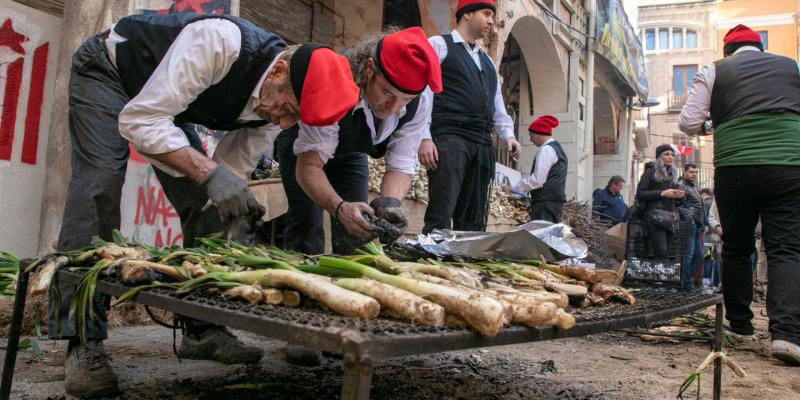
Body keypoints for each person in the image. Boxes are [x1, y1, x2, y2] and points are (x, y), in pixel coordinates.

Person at [52, 12, 360, 397]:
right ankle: (82, 341)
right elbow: (141, 120)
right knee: (98, 186)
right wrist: (209, 174)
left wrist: (231, 207)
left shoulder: (270, 111)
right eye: (288, 108)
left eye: (294, 119)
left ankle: (200, 328)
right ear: (279, 71)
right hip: (111, 72)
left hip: (163, 104)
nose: (284, 123)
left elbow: (228, 172)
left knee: (212, 207)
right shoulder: (220, 43)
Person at [679, 24, 800, 365]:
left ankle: (742, 327)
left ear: (728, 50)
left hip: (736, 167)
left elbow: (689, 123)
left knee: (736, 248)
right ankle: (787, 336)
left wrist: (712, 122)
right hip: (789, 166)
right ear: (759, 47)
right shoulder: (791, 66)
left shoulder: (716, 69)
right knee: (786, 249)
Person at [277, 27, 440, 255]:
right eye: (387, 93)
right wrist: (340, 207)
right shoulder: (336, 83)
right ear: (370, 69)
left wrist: (389, 203)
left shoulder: (420, 101)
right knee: (307, 229)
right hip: (303, 149)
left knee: (358, 234)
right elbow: (309, 167)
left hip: (351, 152)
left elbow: (401, 163)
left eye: (405, 99)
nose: (393, 108)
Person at [419, 0, 522, 233]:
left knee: (474, 216)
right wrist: (424, 136)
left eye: (492, 15)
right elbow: (424, 93)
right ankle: (431, 264)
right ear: (467, 14)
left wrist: (508, 135)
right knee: (441, 210)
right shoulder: (439, 45)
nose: (491, 21)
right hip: (450, 138)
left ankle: (464, 266)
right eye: (486, 14)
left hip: (481, 144)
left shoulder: (486, 61)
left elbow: (496, 103)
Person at [502, 115, 567, 223]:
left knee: (540, 237)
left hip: (544, 204)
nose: (530, 139)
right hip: (554, 204)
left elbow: (538, 180)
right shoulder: (558, 149)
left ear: (538, 135)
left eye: (531, 135)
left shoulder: (546, 150)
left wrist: (513, 188)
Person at [635, 145, 685, 260]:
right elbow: (641, 194)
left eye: (672, 155)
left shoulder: (673, 175)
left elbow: (679, 203)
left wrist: (680, 196)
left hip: (670, 218)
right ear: (659, 157)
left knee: (666, 252)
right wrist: (662, 193)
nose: (670, 157)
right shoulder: (650, 171)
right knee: (661, 250)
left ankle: (658, 275)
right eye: (666, 154)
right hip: (654, 216)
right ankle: (654, 276)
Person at [679, 163, 705, 290]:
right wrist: (690, 218)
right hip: (689, 225)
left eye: (695, 172)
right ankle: (686, 284)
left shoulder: (693, 187)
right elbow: (678, 205)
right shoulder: (682, 186)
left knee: (699, 256)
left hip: (696, 225)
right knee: (688, 255)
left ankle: (686, 280)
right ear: (684, 173)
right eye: (691, 172)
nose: (694, 174)